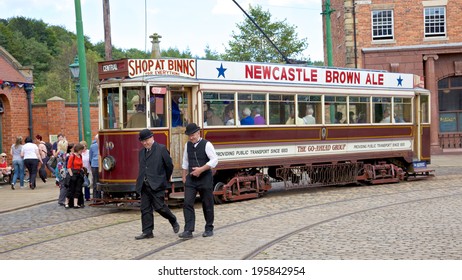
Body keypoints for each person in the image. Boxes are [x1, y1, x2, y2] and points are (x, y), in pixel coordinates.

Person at [134, 129, 179, 240]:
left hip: (157, 184)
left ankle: (172, 219)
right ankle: (147, 232)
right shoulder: (141, 152)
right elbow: (143, 168)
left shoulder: (161, 149)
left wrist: (164, 178)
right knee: (145, 209)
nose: (145, 143)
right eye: (142, 141)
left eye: (146, 140)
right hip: (144, 185)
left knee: (159, 207)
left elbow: (169, 166)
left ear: (152, 138)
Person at [178, 123, 218, 239]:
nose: (191, 138)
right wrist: (184, 176)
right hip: (191, 179)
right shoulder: (187, 145)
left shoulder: (207, 144)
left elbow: (214, 160)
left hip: (205, 178)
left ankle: (209, 227)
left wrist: (201, 169)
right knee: (187, 203)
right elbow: (185, 161)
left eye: (193, 135)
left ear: (198, 133)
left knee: (207, 203)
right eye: (189, 135)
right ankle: (188, 230)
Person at [64, 143, 85, 209]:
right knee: (71, 189)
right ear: (78, 149)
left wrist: (82, 171)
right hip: (73, 173)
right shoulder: (72, 156)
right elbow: (69, 166)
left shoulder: (80, 156)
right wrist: (71, 175)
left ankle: (75, 203)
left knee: (78, 189)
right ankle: (66, 202)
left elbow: (81, 165)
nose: (82, 151)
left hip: (79, 174)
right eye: (81, 150)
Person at [89, 134, 101, 199]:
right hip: (95, 165)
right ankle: (96, 197)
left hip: (99, 165)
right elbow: (90, 157)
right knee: (96, 181)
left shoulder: (93, 146)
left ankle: (98, 197)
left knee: (98, 181)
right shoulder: (93, 146)